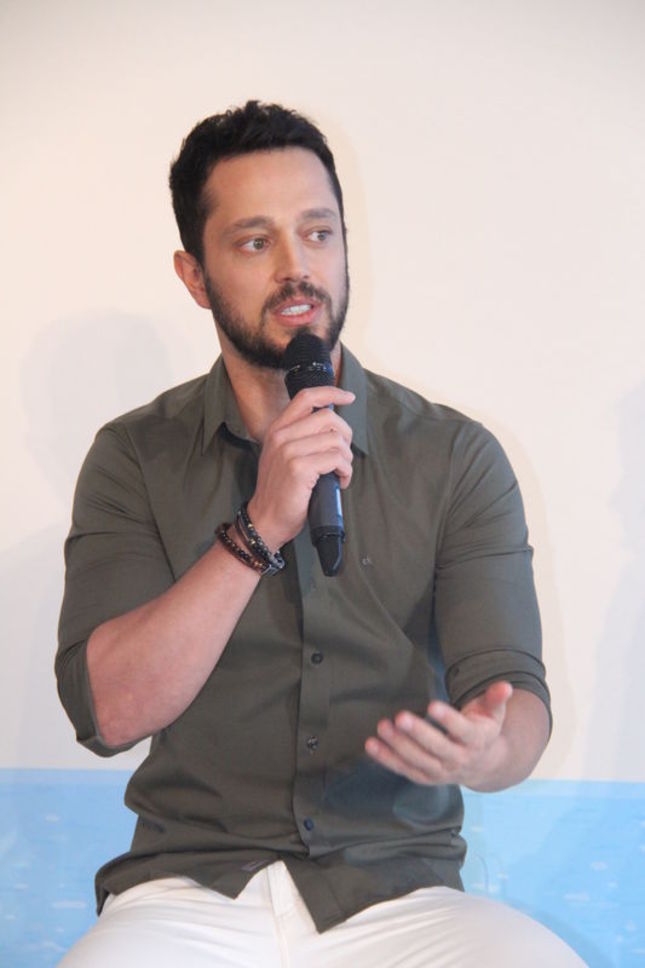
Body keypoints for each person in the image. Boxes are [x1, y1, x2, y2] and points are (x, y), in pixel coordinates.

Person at [56, 101, 584, 966]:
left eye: (318, 233)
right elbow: (109, 712)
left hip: (399, 896)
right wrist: (259, 525)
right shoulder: (135, 456)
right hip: (192, 891)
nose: (297, 268)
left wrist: (489, 750)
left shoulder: (453, 457)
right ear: (195, 276)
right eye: (254, 242)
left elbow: (514, 700)